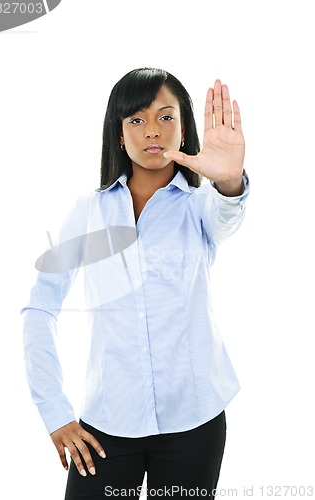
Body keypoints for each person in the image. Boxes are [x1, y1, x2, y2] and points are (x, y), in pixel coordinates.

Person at [22, 67, 249, 499]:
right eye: (137, 120)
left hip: (193, 423)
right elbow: (40, 307)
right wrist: (54, 410)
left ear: (185, 130)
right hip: (108, 424)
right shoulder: (88, 212)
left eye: (166, 118)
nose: (153, 132)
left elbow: (227, 214)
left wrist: (228, 180)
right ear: (119, 132)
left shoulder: (201, 206)